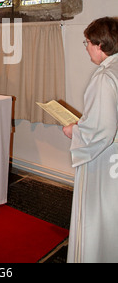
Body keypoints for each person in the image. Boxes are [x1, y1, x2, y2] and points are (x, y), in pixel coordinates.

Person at [62, 17, 118, 263]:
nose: (85, 47)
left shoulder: (105, 77)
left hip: (104, 159)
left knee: (99, 213)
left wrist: (75, 130)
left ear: (100, 45)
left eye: (87, 42)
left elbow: (101, 129)